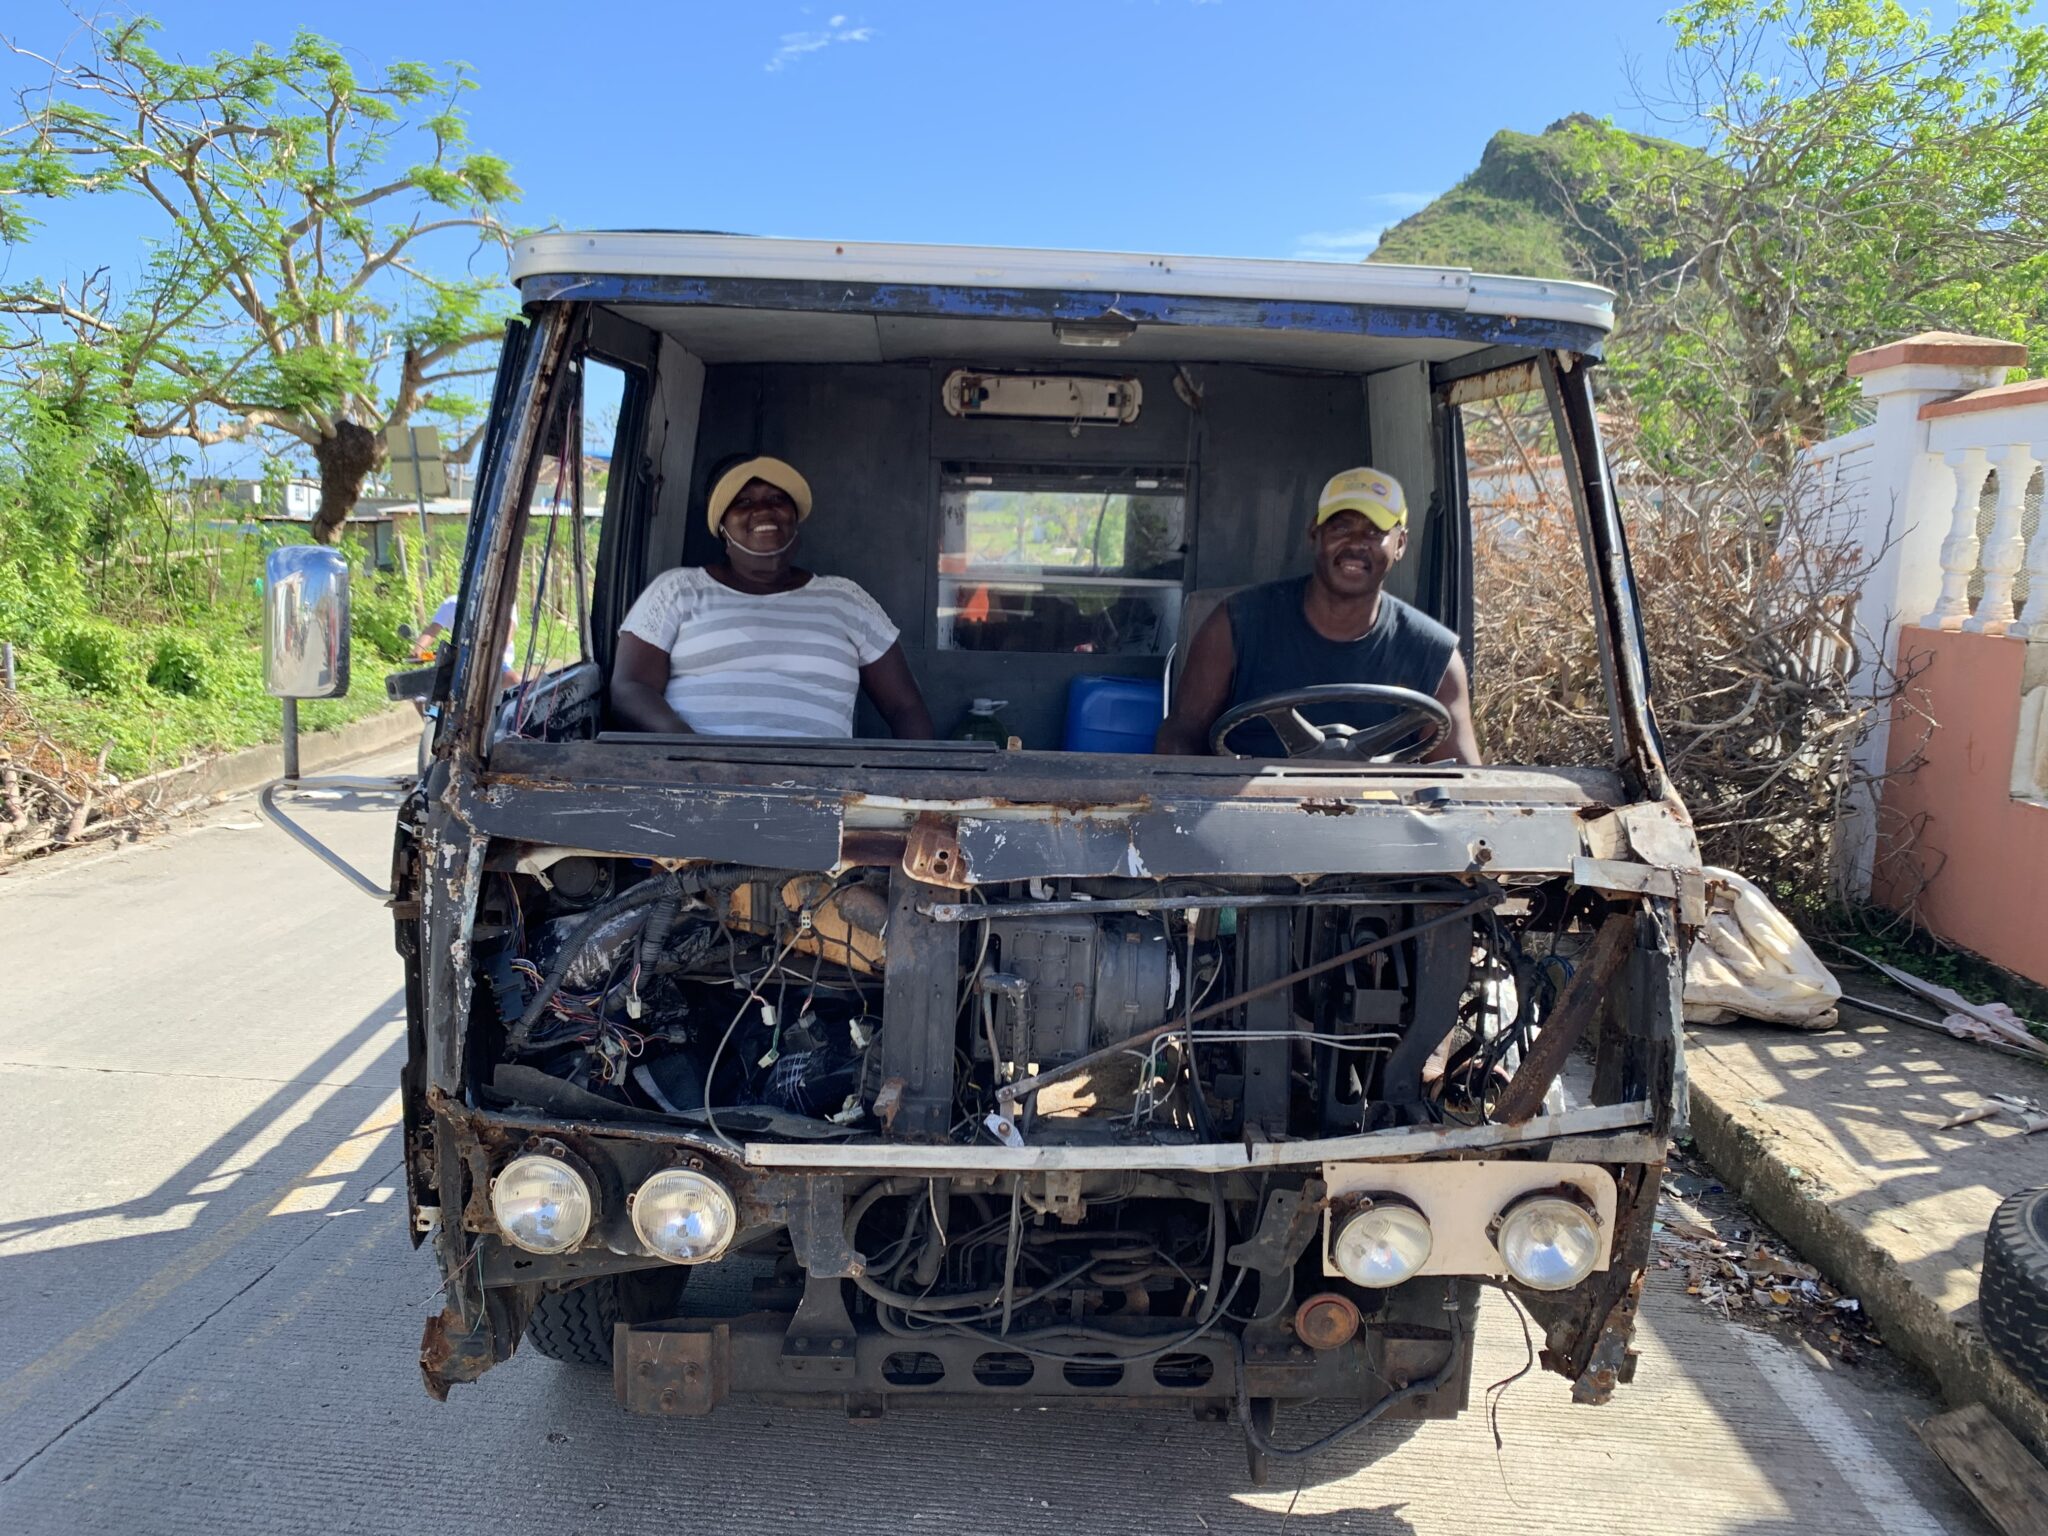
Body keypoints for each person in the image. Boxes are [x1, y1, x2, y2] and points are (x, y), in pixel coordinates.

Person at [1156, 467, 1481, 762]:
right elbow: (1181, 736)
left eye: (1374, 532)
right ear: (1315, 534)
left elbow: (1462, 782)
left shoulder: (1435, 658)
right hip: (1250, 805)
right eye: (1341, 527)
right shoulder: (1235, 625)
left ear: (1400, 545)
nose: (1356, 543)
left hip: (1380, 809)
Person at [609, 455, 935, 739]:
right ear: (722, 526)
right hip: (699, 782)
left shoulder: (846, 599)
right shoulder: (677, 590)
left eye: (777, 499)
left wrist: (917, 781)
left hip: (823, 785)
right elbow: (630, 687)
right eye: (743, 502)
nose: (763, 509)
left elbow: (905, 707)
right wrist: (693, 751)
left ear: (795, 518)